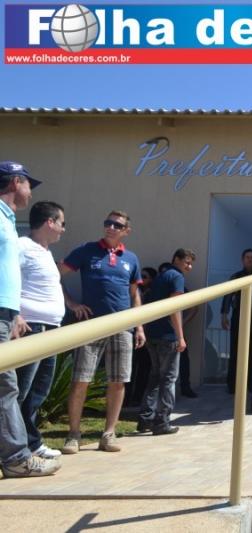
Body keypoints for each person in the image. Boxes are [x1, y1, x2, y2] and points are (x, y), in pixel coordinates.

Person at [60, 210, 146, 454]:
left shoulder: (131, 258)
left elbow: (134, 294)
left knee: (118, 381)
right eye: (108, 223)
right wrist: (72, 304)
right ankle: (73, 435)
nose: (111, 227)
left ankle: (108, 434)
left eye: (117, 225)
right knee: (81, 380)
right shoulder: (86, 250)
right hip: (92, 325)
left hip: (122, 327)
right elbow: (54, 274)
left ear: (126, 231)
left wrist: (139, 326)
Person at [0, 161, 60, 478]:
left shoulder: (8, 221)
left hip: (7, 315)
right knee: (7, 388)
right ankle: (16, 458)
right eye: (27, 184)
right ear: (15, 182)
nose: (30, 192)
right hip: (6, 316)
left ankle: (16, 454)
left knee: (8, 389)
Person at [14, 202, 66, 461]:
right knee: (20, 392)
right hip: (32, 329)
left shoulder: (45, 252)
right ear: (50, 222)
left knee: (39, 392)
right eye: (62, 223)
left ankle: (31, 442)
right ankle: (13, 448)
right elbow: (5, 278)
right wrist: (15, 315)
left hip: (50, 330)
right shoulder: (21, 246)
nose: (63, 229)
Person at [137, 248, 195, 435]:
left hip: (152, 334)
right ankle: (162, 422)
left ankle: (145, 419)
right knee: (169, 379)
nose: (189, 267)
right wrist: (180, 336)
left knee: (155, 377)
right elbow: (174, 308)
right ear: (176, 259)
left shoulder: (161, 276)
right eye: (187, 262)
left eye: (191, 264)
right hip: (167, 336)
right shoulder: (176, 277)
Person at [220, 248, 252, 394]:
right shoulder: (236, 276)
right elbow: (228, 296)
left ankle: (251, 384)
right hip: (238, 317)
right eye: (247, 257)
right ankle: (233, 385)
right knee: (236, 350)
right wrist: (224, 315)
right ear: (242, 260)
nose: (250, 259)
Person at [126, 266, 157, 406]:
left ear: (152, 279)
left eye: (144, 277)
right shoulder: (133, 291)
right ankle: (126, 399)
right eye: (140, 276)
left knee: (144, 369)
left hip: (148, 336)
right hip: (131, 333)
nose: (141, 279)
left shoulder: (154, 293)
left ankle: (138, 398)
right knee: (129, 368)